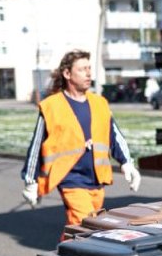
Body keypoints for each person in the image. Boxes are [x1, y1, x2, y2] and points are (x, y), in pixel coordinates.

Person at [20, 49, 141, 238]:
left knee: (83, 228)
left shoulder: (100, 103)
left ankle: (63, 254)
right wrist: (30, 181)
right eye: (82, 69)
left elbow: (114, 135)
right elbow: (36, 146)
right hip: (70, 178)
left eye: (89, 68)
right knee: (85, 225)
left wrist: (127, 163)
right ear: (67, 74)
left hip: (96, 179)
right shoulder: (52, 106)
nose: (88, 73)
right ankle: (69, 255)